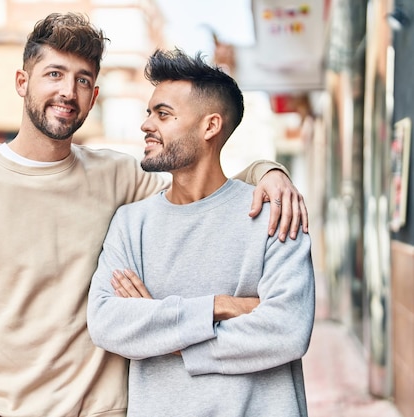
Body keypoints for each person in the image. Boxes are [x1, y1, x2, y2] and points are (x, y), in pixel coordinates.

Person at [0, 13, 309, 417]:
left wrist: (268, 173)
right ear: (22, 82)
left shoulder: (118, 176)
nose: (68, 92)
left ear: (94, 96)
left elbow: (204, 186)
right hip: (3, 409)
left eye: (83, 80)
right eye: (54, 74)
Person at [87, 48, 316, 417]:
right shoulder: (131, 223)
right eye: (149, 113)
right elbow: (107, 323)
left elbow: (287, 330)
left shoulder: (275, 214)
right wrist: (219, 306)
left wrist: (164, 330)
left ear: (210, 126)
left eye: (163, 114)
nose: (146, 124)